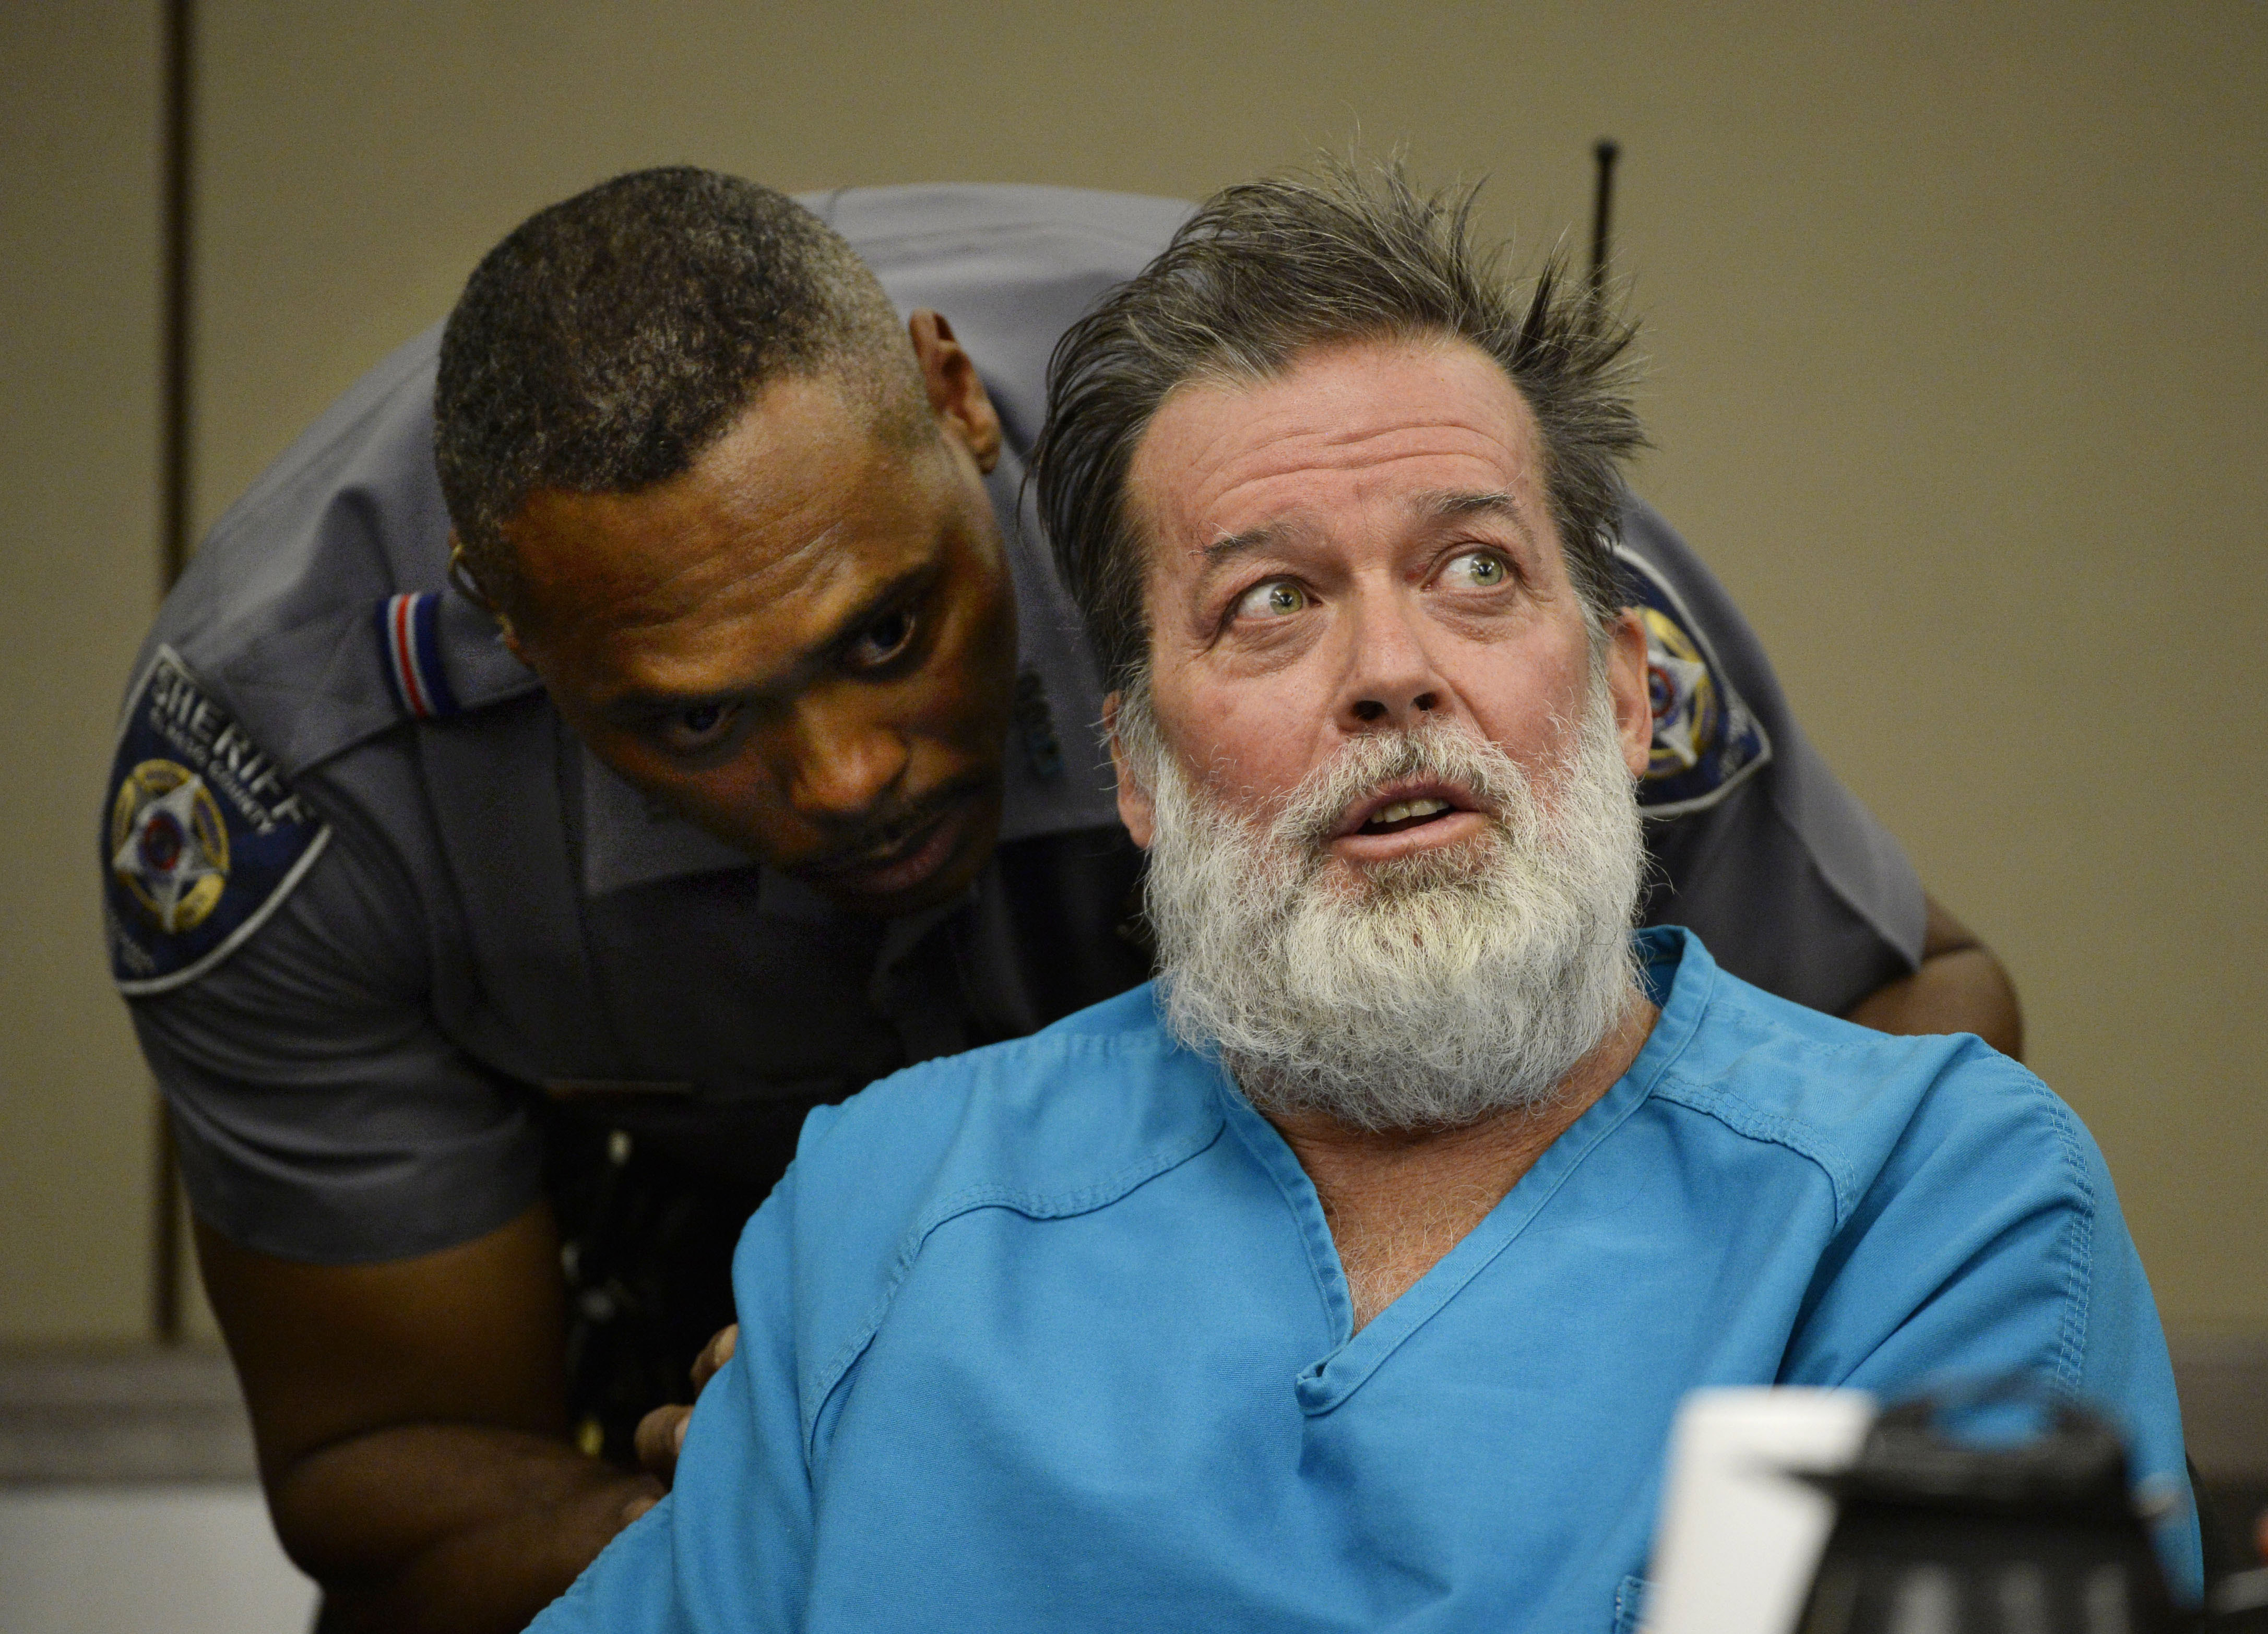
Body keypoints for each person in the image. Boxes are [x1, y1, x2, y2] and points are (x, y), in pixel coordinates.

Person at [103, 170, 2014, 1633]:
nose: (848, 776)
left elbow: (1896, 1052)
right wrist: (822, 1504)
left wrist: (1580, 1493)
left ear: (958, 408)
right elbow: (373, 1461)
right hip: (699, 1384)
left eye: (888, 629)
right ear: (513, 637)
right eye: (693, 715)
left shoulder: (1331, 505)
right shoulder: (301, 771)